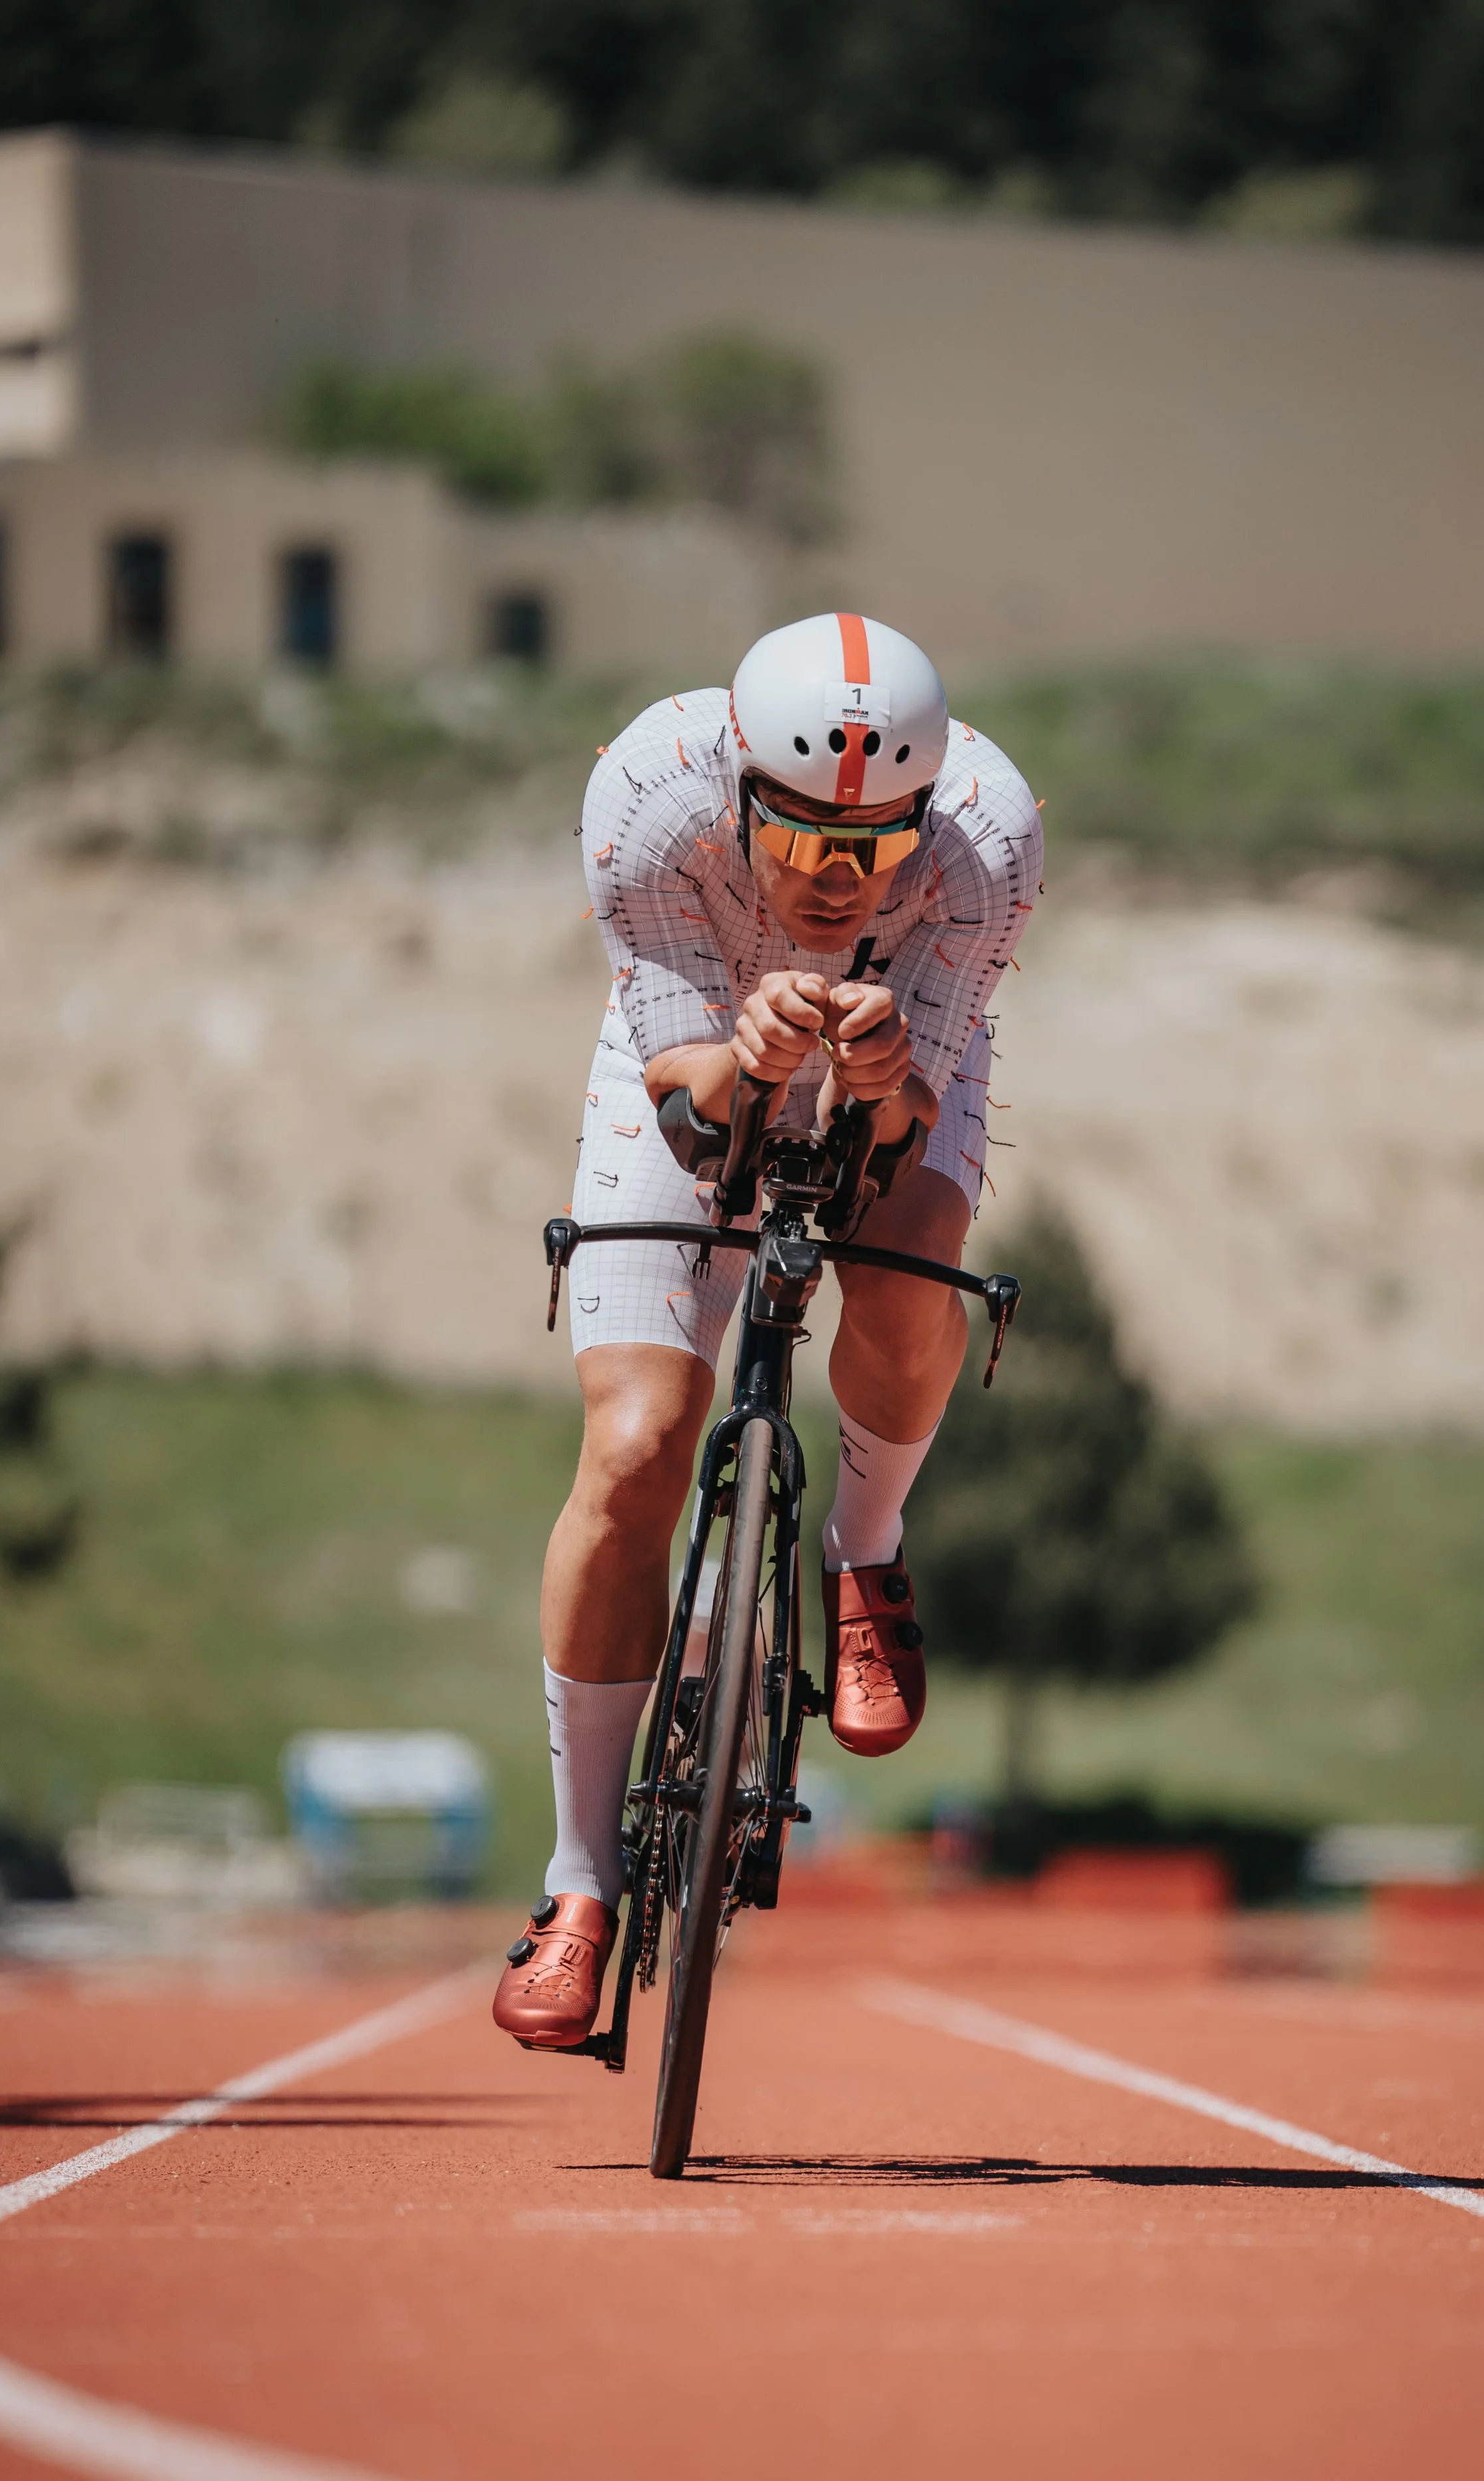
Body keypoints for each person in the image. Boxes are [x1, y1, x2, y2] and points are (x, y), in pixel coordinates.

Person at [494, 612, 1043, 2047]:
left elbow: (902, 1131)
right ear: (738, 786)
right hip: (693, 1045)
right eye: (797, 833)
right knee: (635, 1449)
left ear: (926, 813)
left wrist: (879, 1074)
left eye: (873, 846)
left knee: (911, 1267)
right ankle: (580, 1882)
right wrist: (745, 1064)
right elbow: (686, 1118)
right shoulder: (646, 795)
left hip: (898, 1051)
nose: (832, 877)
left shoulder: (986, 841)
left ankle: (865, 1546)